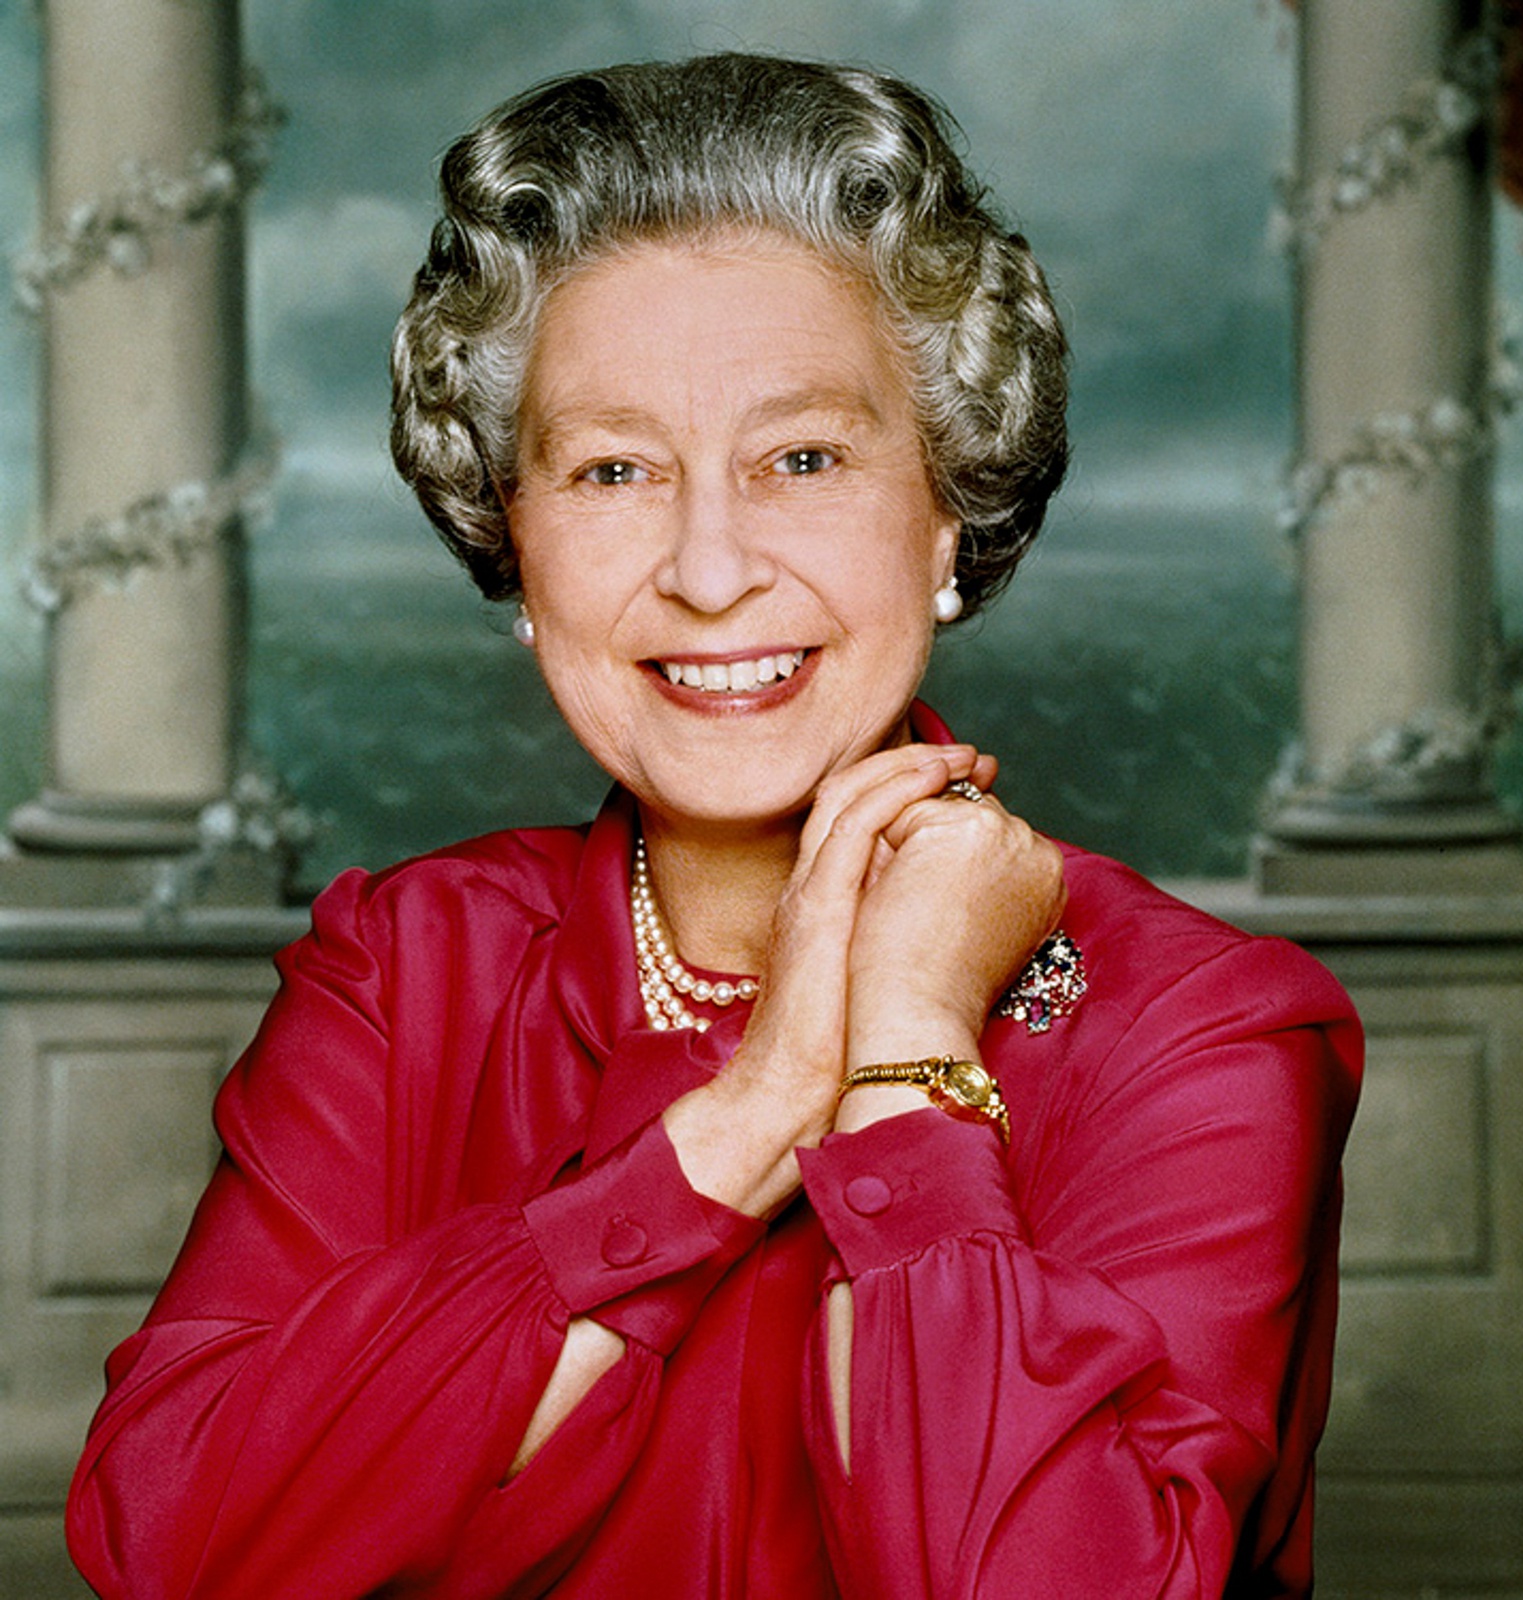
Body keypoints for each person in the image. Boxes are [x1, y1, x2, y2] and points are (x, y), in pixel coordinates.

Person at [66, 53, 1362, 1599]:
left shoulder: (1197, 1031)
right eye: (612, 471)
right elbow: (174, 1544)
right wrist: (740, 1124)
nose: (704, 567)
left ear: (947, 506)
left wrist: (900, 1065)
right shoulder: (409, 972)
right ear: (514, 541)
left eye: (800, 459)